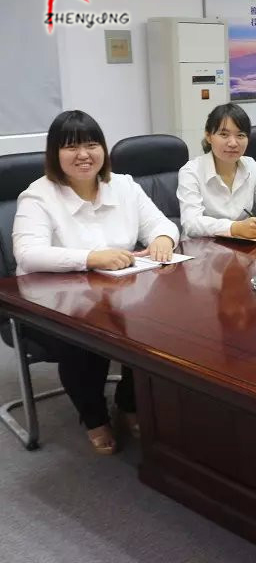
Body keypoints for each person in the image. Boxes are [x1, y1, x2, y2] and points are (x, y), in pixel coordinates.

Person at [12, 110, 180, 454]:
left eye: (91, 144)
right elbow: (28, 254)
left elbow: (161, 224)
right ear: (55, 153)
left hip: (117, 294)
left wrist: (164, 238)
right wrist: (91, 257)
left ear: (103, 149)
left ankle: (129, 402)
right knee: (82, 341)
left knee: (158, 326)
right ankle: (94, 417)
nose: (83, 154)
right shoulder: (38, 196)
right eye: (71, 147)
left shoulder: (124, 186)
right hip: (51, 303)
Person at [177, 103, 256, 239]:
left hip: (242, 246)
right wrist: (234, 228)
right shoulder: (191, 171)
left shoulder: (250, 165)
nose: (233, 143)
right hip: (201, 247)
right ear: (208, 136)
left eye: (240, 135)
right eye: (224, 134)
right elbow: (191, 224)